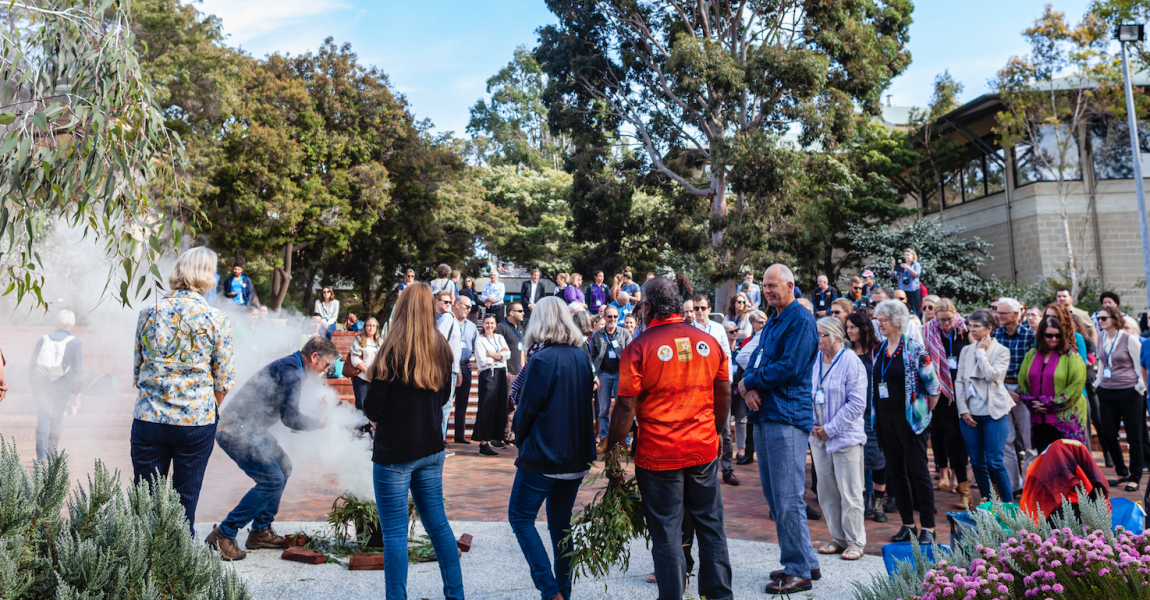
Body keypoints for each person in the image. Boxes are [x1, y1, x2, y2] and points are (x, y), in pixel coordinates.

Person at [606, 277, 733, 600]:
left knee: (666, 532)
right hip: (702, 450)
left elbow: (625, 408)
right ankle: (719, 596)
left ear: (648, 308)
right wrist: (715, 433)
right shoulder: (709, 342)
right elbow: (724, 395)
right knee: (710, 526)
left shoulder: (639, 347)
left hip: (659, 454)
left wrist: (612, 450)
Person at [362, 282, 463, 600]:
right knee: (440, 527)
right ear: (429, 307)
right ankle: (456, 595)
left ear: (402, 308)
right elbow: (445, 395)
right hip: (431, 448)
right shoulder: (442, 349)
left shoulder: (392, 349)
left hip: (394, 453)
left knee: (394, 534)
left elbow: (373, 407)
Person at [132, 247, 235, 532]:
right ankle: (179, 569)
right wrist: (204, 406)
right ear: (207, 276)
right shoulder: (217, 318)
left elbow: (138, 371)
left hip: (150, 418)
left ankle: (141, 569)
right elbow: (223, 381)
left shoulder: (147, 313)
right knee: (184, 503)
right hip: (196, 422)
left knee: (146, 504)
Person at [206, 338, 336, 560]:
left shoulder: (293, 367)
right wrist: (317, 423)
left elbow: (287, 410)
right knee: (272, 480)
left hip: (251, 428)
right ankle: (223, 533)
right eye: (326, 365)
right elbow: (291, 418)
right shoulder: (292, 371)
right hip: (236, 429)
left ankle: (260, 531)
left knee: (284, 467)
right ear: (314, 357)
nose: (326, 371)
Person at [738, 265, 820, 594]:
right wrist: (747, 388)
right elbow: (757, 357)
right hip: (766, 414)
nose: (768, 291)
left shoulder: (800, 319)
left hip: (786, 415)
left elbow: (789, 367)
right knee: (775, 499)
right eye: (764, 286)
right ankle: (806, 561)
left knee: (787, 498)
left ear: (790, 285)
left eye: (773, 286)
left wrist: (749, 382)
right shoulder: (773, 319)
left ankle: (798, 569)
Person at [508, 296, 595, 600]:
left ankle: (550, 591)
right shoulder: (581, 356)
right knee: (561, 525)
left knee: (520, 517)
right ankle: (564, 593)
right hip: (576, 455)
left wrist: (518, 436)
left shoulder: (541, 359)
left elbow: (527, 409)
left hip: (545, 454)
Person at [871, 299, 941, 545]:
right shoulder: (878, 350)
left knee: (918, 472)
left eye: (884, 319)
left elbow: (934, 387)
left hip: (911, 421)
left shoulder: (915, 349)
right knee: (896, 473)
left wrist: (922, 413)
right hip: (885, 419)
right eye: (878, 319)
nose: (880, 324)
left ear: (898, 321)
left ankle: (929, 528)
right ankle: (908, 525)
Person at [809, 317, 868, 561]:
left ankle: (855, 541)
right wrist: (811, 423)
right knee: (826, 492)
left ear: (835, 337)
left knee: (850, 492)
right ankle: (838, 538)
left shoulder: (852, 362)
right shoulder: (815, 361)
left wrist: (830, 429)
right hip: (817, 437)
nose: (818, 339)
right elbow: (806, 391)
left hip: (845, 437)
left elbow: (856, 404)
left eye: (822, 335)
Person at [954, 309, 1013, 504]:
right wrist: (963, 410)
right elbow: (960, 382)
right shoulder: (965, 350)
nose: (972, 329)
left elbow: (992, 376)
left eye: (976, 326)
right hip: (970, 415)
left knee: (994, 462)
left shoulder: (1002, 351)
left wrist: (980, 352)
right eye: (970, 325)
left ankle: (1008, 504)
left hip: (993, 414)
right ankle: (988, 503)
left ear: (989, 329)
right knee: (978, 463)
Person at [923, 298, 971, 507]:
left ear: (955, 314)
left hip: (963, 392)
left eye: (948, 320)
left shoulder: (965, 331)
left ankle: (964, 489)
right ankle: (954, 482)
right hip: (940, 394)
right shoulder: (929, 332)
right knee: (944, 439)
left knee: (958, 443)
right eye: (941, 320)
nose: (945, 324)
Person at [1018, 315, 1089, 456]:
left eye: (1057, 336)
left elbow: (1076, 386)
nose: (1054, 339)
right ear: (1041, 335)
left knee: (1068, 463)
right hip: (1039, 419)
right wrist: (1032, 402)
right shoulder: (1031, 355)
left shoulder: (1072, 357)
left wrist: (1048, 403)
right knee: (1046, 462)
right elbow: (1022, 383)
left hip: (1065, 420)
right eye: (1049, 335)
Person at [1095, 305, 1146, 492]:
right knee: (1108, 434)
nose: (1100, 322)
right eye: (1099, 318)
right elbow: (1102, 362)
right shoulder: (1101, 339)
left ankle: (1135, 475)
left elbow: (1140, 364)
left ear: (1115, 319)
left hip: (1129, 391)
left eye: (1104, 318)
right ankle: (1121, 471)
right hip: (1107, 392)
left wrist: (1139, 387)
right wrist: (1098, 383)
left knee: (1134, 436)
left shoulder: (1129, 339)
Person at [845, 312, 888, 522]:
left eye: (853, 327)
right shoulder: (846, 352)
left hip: (875, 413)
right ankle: (863, 500)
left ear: (864, 328)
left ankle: (879, 503)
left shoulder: (878, 351)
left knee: (878, 461)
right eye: (847, 327)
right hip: (853, 413)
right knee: (856, 461)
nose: (849, 331)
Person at [992, 297, 1037, 494]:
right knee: (1006, 441)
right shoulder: (994, 336)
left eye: (1003, 313)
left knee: (1030, 442)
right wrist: (1003, 389)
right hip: (1001, 390)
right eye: (998, 312)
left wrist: (1020, 390)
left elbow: (1033, 368)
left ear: (1017, 314)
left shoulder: (1030, 337)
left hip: (1023, 392)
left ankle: (1030, 485)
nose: (999, 316)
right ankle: (1012, 486)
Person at [29, 310, 83, 461]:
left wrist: (34, 387)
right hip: (62, 387)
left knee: (42, 419)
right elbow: (77, 370)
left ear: (56, 321)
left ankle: (40, 458)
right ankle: (51, 458)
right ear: (71, 323)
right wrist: (76, 393)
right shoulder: (75, 342)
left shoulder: (43, 339)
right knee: (56, 420)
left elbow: (31, 366)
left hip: (41, 386)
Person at [590, 304, 632, 454]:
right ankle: (603, 439)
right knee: (603, 410)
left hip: (620, 374)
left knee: (623, 408)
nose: (612, 319)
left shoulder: (625, 334)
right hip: (604, 375)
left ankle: (624, 441)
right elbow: (592, 356)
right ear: (604, 317)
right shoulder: (597, 335)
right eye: (609, 316)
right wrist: (596, 374)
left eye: (615, 316)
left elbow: (630, 355)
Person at [474, 314, 511, 456]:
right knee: (486, 407)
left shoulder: (500, 338)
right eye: (487, 323)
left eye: (492, 323)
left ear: (495, 325)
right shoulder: (479, 340)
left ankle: (495, 439)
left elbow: (508, 354)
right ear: (483, 325)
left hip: (501, 373)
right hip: (488, 374)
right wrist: (499, 355)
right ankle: (483, 443)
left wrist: (492, 355)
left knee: (499, 407)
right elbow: (482, 360)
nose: (490, 326)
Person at [435, 290, 463, 444]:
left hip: (451, 370)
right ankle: (439, 442)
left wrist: (457, 371)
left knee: (445, 408)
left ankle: (440, 441)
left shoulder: (449, 319)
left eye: (449, 302)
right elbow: (440, 343)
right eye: (445, 301)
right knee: (444, 408)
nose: (447, 304)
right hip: (445, 370)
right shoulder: (447, 318)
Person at [451, 295, 478, 444]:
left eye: (470, 308)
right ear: (457, 305)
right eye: (466, 306)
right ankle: (440, 436)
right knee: (446, 402)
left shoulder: (473, 326)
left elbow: (477, 347)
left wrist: (477, 364)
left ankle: (459, 435)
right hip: (450, 367)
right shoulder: (449, 323)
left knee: (462, 403)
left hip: (465, 366)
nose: (469, 310)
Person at [498, 302, 526, 443]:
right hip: (507, 372)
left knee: (514, 405)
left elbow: (521, 351)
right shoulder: (501, 327)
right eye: (520, 310)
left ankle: (510, 434)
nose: (523, 313)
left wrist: (523, 370)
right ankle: (501, 434)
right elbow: (499, 350)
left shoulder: (520, 328)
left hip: (518, 372)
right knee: (506, 404)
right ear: (511, 313)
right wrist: (506, 370)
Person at [350, 318, 383, 412]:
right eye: (369, 325)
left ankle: (370, 426)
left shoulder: (380, 342)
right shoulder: (359, 340)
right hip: (361, 378)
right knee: (361, 405)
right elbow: (355, 359)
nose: (371, 328)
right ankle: (360, 426)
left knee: (373, 405)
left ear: (377, 328)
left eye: (373, 326)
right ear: (365, 327)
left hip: (376, 378)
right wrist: (367, 371)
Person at [890, 248, 923, 316]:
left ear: (913, 256)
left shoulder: (916, 265)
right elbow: (893, 275)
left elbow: (917, 275)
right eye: (905, 255)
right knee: (902, 308)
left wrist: (908, 268)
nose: (906, 256)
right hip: (903, 290)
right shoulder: (901, 264)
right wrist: (894, 266)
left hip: (913, 290)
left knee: (913, 309)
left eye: (908, 255)